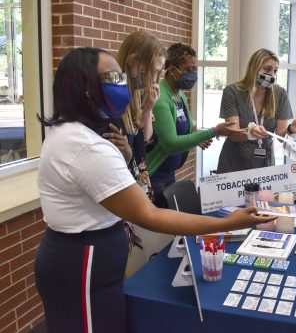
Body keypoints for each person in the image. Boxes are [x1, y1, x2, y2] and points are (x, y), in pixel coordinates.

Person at [35, 47, 275, 333]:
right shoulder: (84, 145)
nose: (123, 84)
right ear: (83, 87)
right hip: (83, 264)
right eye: (113, 77)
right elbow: (149, 214)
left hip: (93, 262)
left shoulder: (81, 134)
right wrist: (226, 224)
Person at [146, 43, 241, 207]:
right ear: (172, 70)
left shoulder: (179, 95)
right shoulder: (161, 99)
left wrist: (196, 138)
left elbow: (182, 131)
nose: (194, 74)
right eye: (189, 69)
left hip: (169, 173)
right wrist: (214, 131)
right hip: (155, 174)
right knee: (160, 229)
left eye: (195, 69)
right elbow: (170, 143)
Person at [217, 48, 296, 173]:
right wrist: (250, 132)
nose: (272, 74)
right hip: (235, 161)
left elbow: (281, 135)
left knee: (265, 193)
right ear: (254, 68)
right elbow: (233, 135)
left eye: (275, 71)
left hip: (264, 162)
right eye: (267, 69)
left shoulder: (280, 94)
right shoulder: (232, 92)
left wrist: (291, 129)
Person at [113, 30, 165, 202]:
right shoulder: (114, 98)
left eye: (158, 72)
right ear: (133, 63)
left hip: (139, 185)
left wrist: (148, 110)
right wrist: (127, 155)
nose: (155, 79)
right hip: (122, 190)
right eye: (153, 71)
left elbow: (147, 145)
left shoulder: (138, 96)